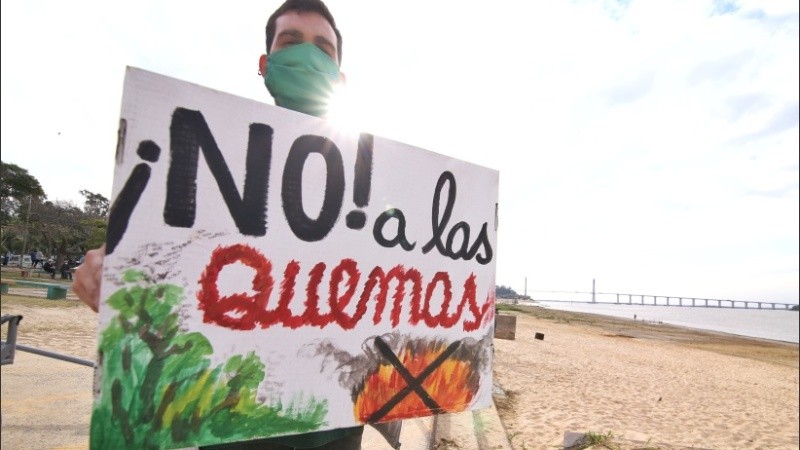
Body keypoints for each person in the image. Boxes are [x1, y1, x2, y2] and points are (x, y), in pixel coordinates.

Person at [74, 1, 370, 448]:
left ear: (341, 79)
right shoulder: (205, 153)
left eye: (323, 49)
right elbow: (162, 249)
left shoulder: (375, 175)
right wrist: (110, 272)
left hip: (336, 428)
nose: (308, 56)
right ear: (265, 65)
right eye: (291, 42)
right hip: (233, 422)